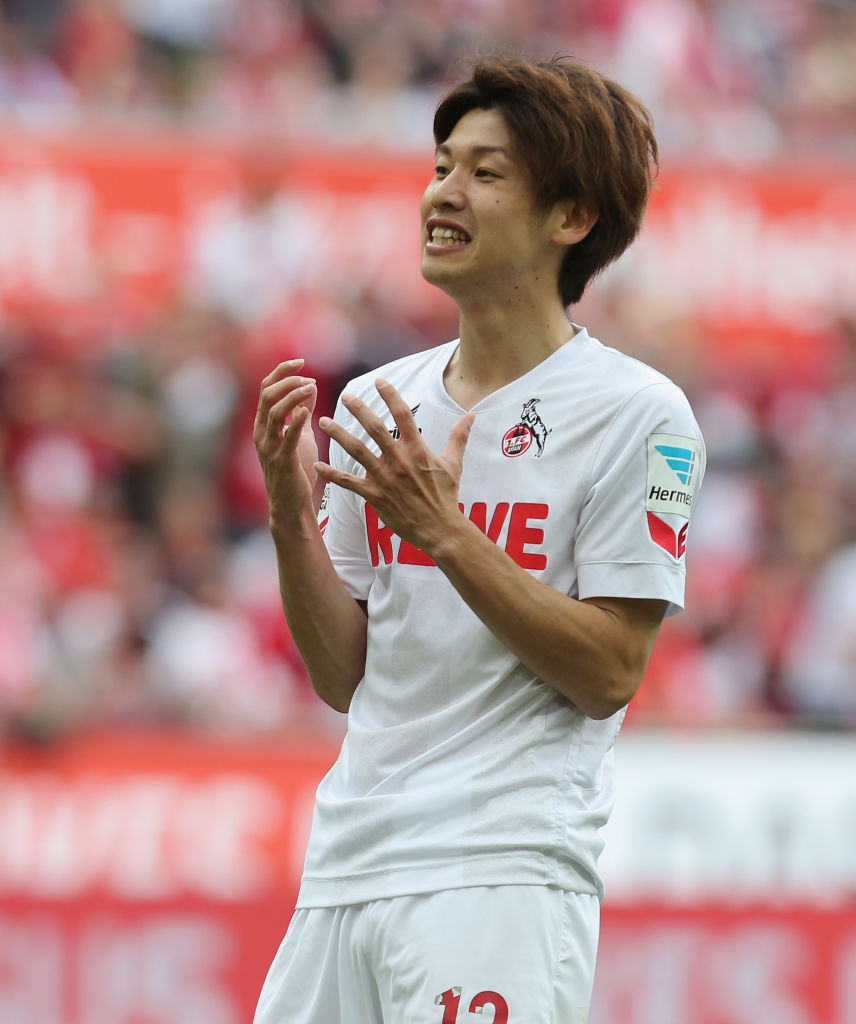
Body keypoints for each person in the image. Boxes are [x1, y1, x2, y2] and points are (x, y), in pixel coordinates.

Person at [253, 54, 704, 1024]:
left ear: (571, 216)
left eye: (485, 172)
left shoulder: (639, 415)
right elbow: (343, 675)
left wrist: (446, 534)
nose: (442, 193)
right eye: (440, 166)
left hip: (498, 871)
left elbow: (608, 671)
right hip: (346, 864)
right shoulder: (378, 401)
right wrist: (291, 521)